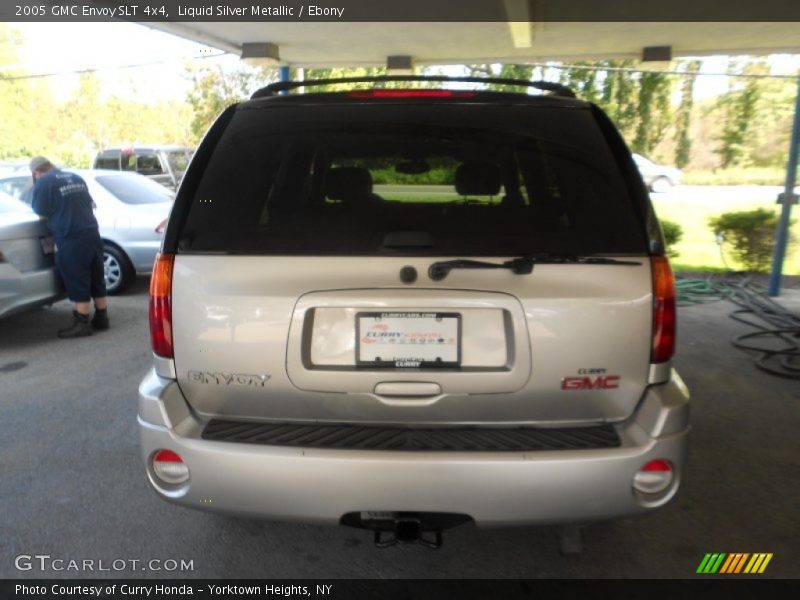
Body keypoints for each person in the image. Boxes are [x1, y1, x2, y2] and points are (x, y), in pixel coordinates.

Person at [29, 156, 109, 338]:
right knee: (96, 275)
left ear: (36, 172)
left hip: (70, 235)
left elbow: (41, 212)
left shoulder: (43, 183)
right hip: (91, 231)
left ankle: (82, 323)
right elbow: (89, 204)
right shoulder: (75, 177)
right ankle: (102, 317)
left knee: (77, 277)